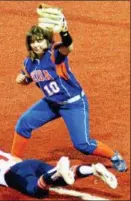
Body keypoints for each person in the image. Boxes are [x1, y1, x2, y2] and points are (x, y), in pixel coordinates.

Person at [10, 4, 127, 172]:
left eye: (40, 41)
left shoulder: (54, 54)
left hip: (73, 104)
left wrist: (64, 31)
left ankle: (114, 156)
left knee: (83, 144)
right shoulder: (29, 62)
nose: (36, 45)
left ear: (48, 41)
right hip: (51, 103)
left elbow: (68, 46)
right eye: (33, 42)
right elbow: (29, 77)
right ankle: (14, 162)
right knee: (23, 123)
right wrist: (22, 79)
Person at [0, 131, 117, 198]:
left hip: (12, 173)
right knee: (62, 180)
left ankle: (58, 170)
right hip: (28, 164)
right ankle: (93, 169)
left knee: (36, 190)